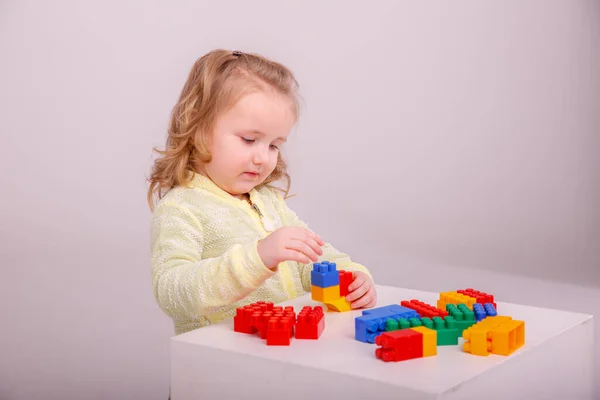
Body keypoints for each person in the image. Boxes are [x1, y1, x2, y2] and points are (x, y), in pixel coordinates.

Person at [147, 49, 377, 336]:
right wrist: (257, 258)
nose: (263, 158)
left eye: (274, 145)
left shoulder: (267, 201)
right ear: (198, 125)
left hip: (275, 354)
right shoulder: (182, 207)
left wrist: (351, 276)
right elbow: (172, 292)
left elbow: (311, 258)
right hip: (219, 361)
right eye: (249, 139)